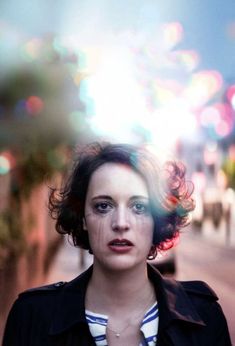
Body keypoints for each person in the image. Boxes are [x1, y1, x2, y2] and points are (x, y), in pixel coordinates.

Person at [3, 142, 231, 346]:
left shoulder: (205, 316)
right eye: (103, 206)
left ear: (157, 219)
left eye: (139, 207)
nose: (121, 223)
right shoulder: (31, 317)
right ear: (82, 218)